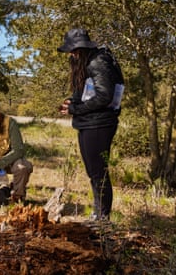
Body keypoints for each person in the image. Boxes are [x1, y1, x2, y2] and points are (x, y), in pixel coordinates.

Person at [57, 28, 124, 221]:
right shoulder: (90, 61)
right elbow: (87, 93)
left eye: (73, 50)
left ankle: (102, 217)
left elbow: (104, 96)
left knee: (97, 172)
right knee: (93, 171)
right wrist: (73, 102)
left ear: (81, 48)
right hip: (90, 123)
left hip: (99, 124)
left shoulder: (98, 62)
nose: (71, 55)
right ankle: (98, 214)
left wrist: (75, 110)